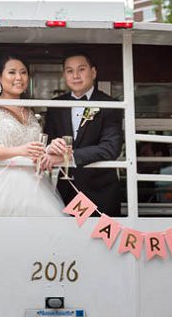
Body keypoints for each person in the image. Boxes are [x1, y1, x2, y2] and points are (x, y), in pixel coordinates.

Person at [41, 52, 124, 216]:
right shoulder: (55, 105)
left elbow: (110, 148)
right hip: (65, 192)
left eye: (81, 69)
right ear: (64, 75)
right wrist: (52, 147)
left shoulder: (110, 105)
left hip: (101, 193)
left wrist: (68, 157)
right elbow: (49, 140)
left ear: (93, 72)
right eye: (69, 71)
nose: (76, 76)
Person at [0, 54, 64, 216]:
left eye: (23, 72)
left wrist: (47, 153)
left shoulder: (30, 111)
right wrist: (21, 151)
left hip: (36, 181)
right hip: (3, 181)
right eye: (12, 72)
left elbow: (36, 146)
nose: (19, 77)